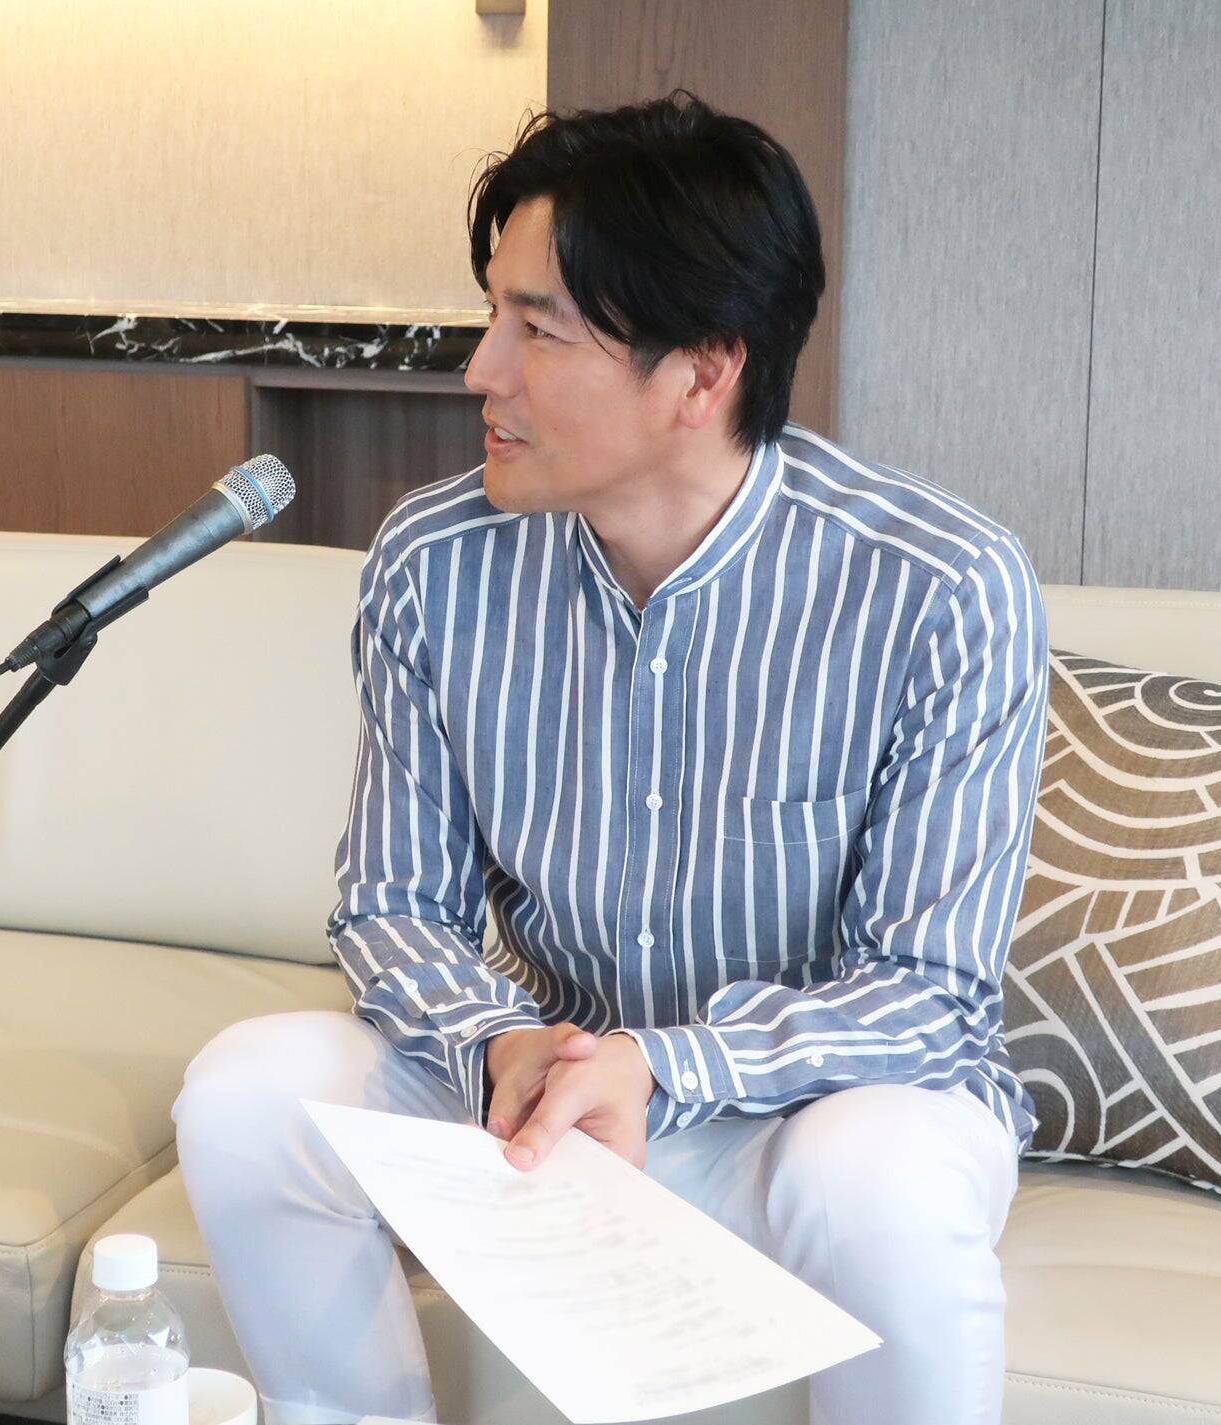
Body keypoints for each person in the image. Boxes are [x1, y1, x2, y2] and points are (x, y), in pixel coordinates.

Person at [173, 89, 1050, 1425]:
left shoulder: (940, 585)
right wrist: (505, 1045)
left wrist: (661, 1065)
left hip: (806, 1111)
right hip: (546, 1092)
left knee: (873, 1180)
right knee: (249, 1095)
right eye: (493, 314)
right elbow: (391, 907)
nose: (482, 370)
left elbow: (929, 997)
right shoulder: (434, 560)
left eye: (539, 331)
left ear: (703, 372)